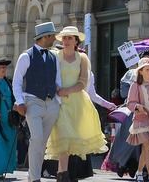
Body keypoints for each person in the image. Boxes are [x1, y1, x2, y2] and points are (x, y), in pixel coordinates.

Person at [47, 26, 107, 182]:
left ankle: (64, 174)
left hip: (77, 102)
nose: (66, 41)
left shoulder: (82, 58)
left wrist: (67, 90)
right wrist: (57, 90)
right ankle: (63, 173)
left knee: (73, 140)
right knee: (63, 136)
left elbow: (83, 83)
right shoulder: (55, 56)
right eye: (64, 38)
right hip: (59, 102)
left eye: (70, 38)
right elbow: (49, 77)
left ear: (76, 41)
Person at [13, 22, 63, 182]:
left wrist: (58, 102)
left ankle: (32, 175)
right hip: (32, 102)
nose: (55, 38)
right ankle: (35, 178)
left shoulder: (54, 57)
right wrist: (20, 102)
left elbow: (58, 81)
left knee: (42, 143)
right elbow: (17, 81)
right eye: (53, 35)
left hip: (51, 104)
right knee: (37, 139)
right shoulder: (26, 56)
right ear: (45, 37)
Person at [104, 50, 149, 177]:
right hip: (133, 111)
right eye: (145, 60)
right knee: (129, 141)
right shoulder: (130, 74)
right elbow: (124, 93)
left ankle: (145, 169)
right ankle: (123, 164)